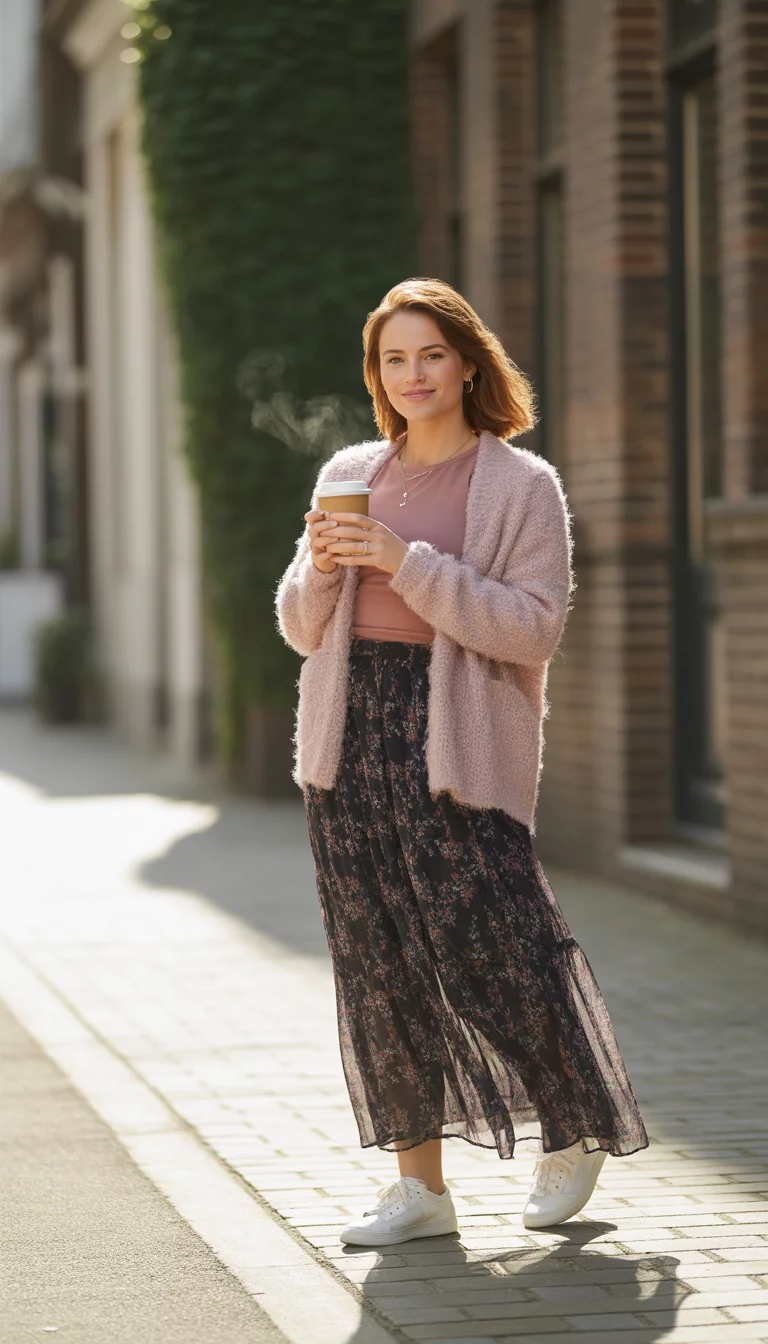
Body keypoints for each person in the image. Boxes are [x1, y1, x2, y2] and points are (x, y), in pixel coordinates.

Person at [274, 277, 648, 1248]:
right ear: (377, 375)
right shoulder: (350, 468)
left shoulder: (524, 486)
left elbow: (532, 630)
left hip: (455, 743)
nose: (413, 375)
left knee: (492, 953)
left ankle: (572, 1129)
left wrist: (406, 562)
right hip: (347, 740)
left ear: (469, 361)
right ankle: (419, 1188)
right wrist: (321, 563)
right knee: (379, 966)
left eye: (430, 354)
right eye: (394, 360)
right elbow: (300, 628)